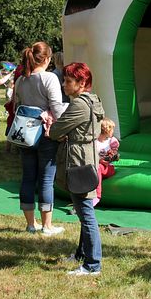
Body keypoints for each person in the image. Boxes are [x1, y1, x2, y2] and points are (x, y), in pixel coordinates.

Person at [49, 62, 104, 275]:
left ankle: (92, 265)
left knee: (86, 212)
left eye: (68, 81)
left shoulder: (79, 105)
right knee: (83, 209)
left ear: (82, 83)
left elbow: (55, 131)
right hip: (88, 157)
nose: (64, 84)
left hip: (79, 161)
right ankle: (82, 254)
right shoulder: (93, 100)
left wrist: (61, 132)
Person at [13, 42, 67, 235]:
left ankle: (30, 224)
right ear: (46, 59)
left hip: (25, 134)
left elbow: (15, 106)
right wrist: (63, 130)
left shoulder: (21, 80)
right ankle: (47, 225)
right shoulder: (49, 78)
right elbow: (57, 107)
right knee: (46, 178)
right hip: (45, 134)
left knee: (27, 177)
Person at [93, 117, 119, 206]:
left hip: (108, 167)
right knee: (96, 167)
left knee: (99, 167)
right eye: (112, 129)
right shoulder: (94, 141)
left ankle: (97, 196)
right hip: (95, 166)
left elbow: (114, 155)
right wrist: (99, 160)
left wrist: (112, 156)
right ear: (107, 130)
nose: (113, 132)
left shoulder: (111, 141)